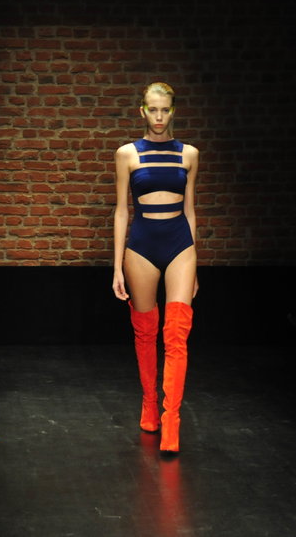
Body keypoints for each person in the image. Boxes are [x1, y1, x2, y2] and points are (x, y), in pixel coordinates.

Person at [112, 81, 199, 454]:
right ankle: (149, 404)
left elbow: (190, 209)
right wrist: (117, 267)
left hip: (180, 243)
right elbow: (121, 211)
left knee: (176, 333)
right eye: (153, 109)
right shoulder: (127, 154)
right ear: (142, 111)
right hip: (142, 244)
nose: (159, 117)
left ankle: (171, 419)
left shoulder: (189, 154)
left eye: (165, 110)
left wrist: (196, 265)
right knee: (146, 332)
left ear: (173, 111)